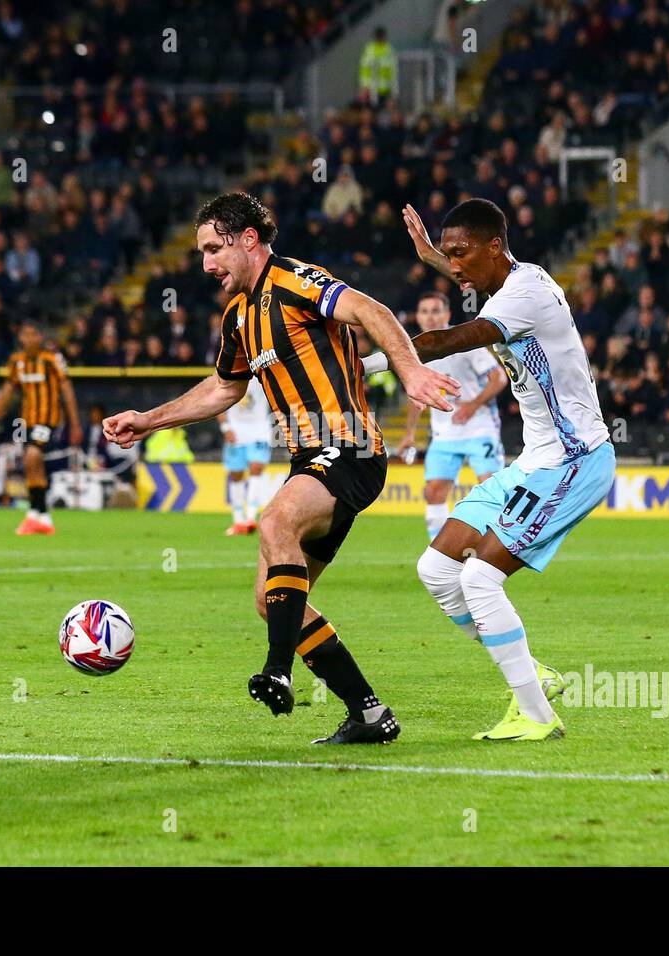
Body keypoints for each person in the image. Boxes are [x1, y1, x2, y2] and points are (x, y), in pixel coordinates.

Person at [104, 192, 458, 744]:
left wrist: (409, 371)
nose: (206, 265)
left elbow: (372, 311)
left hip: (350, 446)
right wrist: (149, 420)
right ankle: (367, 713)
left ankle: (277, 672)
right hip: (310, 460)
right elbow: (224, 387)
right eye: (201, 253)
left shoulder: (298, 281)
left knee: (274, 523)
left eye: (213, 249)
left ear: (249, 239)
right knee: (272, 602)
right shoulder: (238, 317)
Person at [375, 199, 616, 742]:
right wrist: (436, 258)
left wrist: (368, 355)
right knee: (437, 571)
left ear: (493, 246)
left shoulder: (524, 296)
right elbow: (472, 281)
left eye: (460, 253)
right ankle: (530, 676)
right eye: (447, 255)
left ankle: (535, 714)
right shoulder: (515, 281)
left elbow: (447, 340)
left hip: (575, 461)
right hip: (534, 461)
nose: (453, 266)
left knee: (480, 578)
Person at [396, 290, 508, 539]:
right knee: (434, 491)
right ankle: (440, 550)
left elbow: (499, 377)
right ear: (419, 316)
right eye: (425, 311)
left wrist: (473, 405)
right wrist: (410, 434)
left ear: (447, 313)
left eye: (436, 311)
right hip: (444, 434)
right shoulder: (415, 351)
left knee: (490, 486)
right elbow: (415, 397)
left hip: (479, 428)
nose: (430, 317)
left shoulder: (463, 342)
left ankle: (495, 544)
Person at [0, 320, 83, 534]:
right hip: (27, 421)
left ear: (40, 337)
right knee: (31, 464)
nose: (28, 339)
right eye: (24, 335)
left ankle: (38, 513)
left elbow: (67, 390)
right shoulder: (16, 362)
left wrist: (75, 424)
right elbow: (7, 392)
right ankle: (40, 515)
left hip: (49, 420)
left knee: (33, 456)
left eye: (32, 334)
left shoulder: (52, 359)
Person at [219, 376, 274, 535]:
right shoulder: (228, 373)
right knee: (236, 474)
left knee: (256, 468)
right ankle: (238, 520)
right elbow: (218, 402)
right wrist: (225, 427)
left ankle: (250, 518)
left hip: (259, 429)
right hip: (236, 429)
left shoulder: (262, 372)